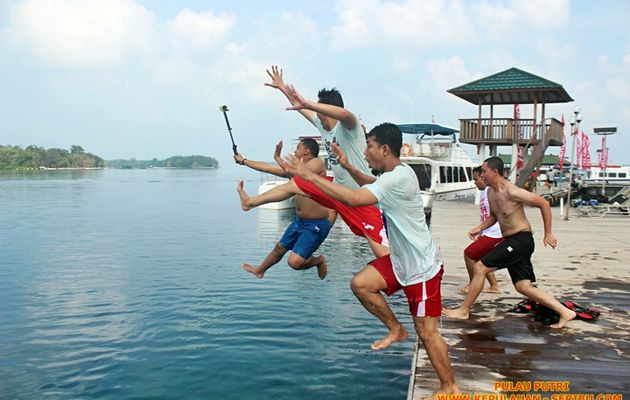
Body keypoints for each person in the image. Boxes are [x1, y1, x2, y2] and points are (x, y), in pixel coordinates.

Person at [284, 123, 459, 397]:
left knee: (427, 333)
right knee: (361, 284)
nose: (365, 153)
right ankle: (396, 329)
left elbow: (355, 198)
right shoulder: (395, 174)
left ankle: (451, 387)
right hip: (401, 261)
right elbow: (370, 182)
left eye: (369, 147)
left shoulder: (397, 177)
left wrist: (308, 175)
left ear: (385, 149)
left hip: (422, 268)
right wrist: (349, 167)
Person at [443, 156, 577, 329]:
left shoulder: (512, 192)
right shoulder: (491, 192)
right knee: (523, 286)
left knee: (480, 267)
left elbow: (543, 203)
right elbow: (494, 216)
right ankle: (566, 312)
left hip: (521, 239)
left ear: (495, 171)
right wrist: (480, 227)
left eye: (484, 171)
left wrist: (548, 233)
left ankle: (464, 310)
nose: (481, 175)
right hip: (512, 240)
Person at [234, 138, 330, 280]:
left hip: (316, 224)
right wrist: (244, 161)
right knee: (279, 248)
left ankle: (318, 260)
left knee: (294, 262)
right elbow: (268, 167)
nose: (294, 151)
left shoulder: (317, 162)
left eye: (298, 148)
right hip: (299, 221)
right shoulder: (298, 170)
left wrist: (278, 158)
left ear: (306, 151)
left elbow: (300, 175)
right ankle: (260, 271)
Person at [459, 166, 502, 294]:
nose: (475, 182)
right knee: (481, 259)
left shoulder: (492, 191)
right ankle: (494, 286)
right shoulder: (484, 192)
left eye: (477, 179)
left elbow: (497, 213)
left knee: (469, 254)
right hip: (488, 231)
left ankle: (473, 285)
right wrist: (481, 230)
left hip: (496, 233)